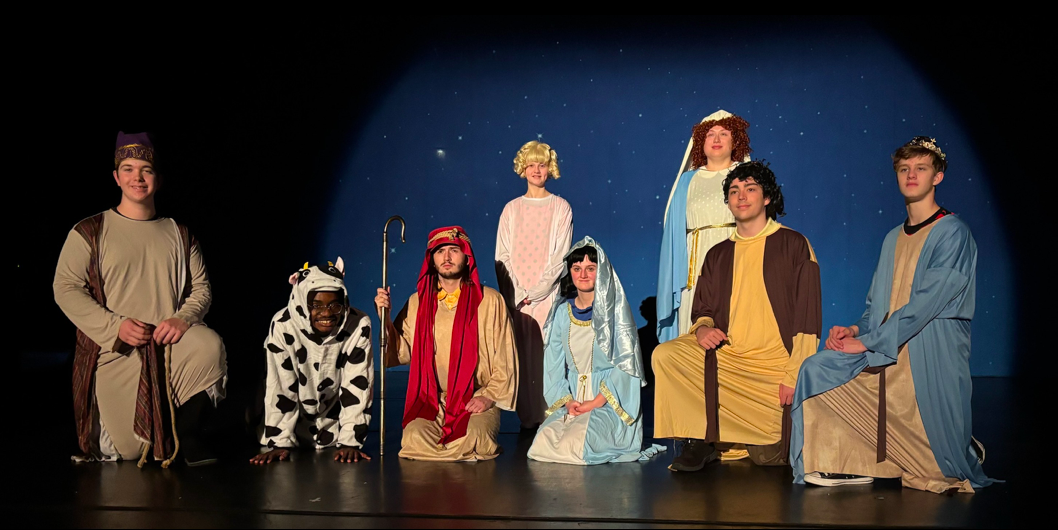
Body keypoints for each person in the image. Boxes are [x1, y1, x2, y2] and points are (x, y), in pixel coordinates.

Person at [790, 137, 996, 493]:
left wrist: (866, 342)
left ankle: (961, 447)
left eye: (921, 168)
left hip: (929, 351)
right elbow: (878, 307)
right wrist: (854, 328)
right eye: (904, 169)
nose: (911, 175)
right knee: (816, 369)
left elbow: (923, 308)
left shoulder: (953, 233)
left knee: (940, 471)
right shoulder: (892, 238)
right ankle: (851, 462)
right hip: (885, 345)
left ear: (938, 177)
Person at [54, 131, 227, 467]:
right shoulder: (90, 231)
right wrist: (115, 327)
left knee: (208, 345)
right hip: (117, 354)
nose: (138, 177)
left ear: (158, 180)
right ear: (116, 177)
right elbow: (65, 287)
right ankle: (160, 433)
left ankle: (187, 435)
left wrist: (183, 318)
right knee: (133, 451)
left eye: (146, 170)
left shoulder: (179, 233)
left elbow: (201, 289)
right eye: (129, 169)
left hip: (169, 348)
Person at [653, 161, 821, 471]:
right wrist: (702, 330)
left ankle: (737, 437)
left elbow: (808, 320)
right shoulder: (718, 253)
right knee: (667, 354)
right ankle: (697, 440)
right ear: (728, 201)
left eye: (750, 189)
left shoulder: (794, 244)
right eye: (734, 191)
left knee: (767, 458)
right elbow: (702, 311)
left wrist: (794, 374)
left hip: (772, 370)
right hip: (729, 361)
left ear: (767, 197)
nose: (741, 196)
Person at [376, 226, 518, 461]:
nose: (447, 257)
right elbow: (402, 352)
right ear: (431, 260)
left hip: (474, 397)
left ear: (466, 257)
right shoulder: (418, 302)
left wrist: (489, 396)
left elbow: (506, 356)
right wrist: (386, 318)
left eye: (454, 250)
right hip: (433, 398)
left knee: (476, 438)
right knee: (413, 437)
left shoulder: (490, 300)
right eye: (440, 251)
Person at [527, 237, 665, 464]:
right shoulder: (562, 312)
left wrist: (596, 401)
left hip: (610, 403)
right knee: (543, 443)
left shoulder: (615, 313)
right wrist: (568, 402)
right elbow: (552, 363)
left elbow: (626, 365)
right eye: (577, 268)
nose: (583, 275)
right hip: (574, 402)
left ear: (601, 272)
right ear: (569, 272)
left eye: (590, 268)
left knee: (577, 444)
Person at [250, 259, 373, 465]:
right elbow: (279, 386)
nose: (326, 313)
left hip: (332, 427)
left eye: (335, 305)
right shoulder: (283, 325)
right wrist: (279, 441)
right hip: (293, 422)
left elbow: (358, 385)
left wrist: (350, 441)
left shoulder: (358, 324)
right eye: (316, 306)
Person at [496, 140, 573, 429]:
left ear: (549, 168)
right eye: (531, 164)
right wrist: (518, 294)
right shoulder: (512, 209)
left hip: (547, 295)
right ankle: (528, 421)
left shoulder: (560, 207)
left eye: (542, 164)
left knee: (548, 355)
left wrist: (537, 292)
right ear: (523, 168)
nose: (536, 170)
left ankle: (550, 418)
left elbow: (561, 256)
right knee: (522, 356)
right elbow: (502, 256)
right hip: (518, 298)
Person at [657, 110, 753, 344]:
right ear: (701, 142)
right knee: (695, 332)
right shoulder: (686, 181)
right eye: (710, 134)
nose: (717, 139)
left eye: (724, 133)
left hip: (736, 260)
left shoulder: (746, 177)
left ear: (736, 141)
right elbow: (673, 235)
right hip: (695, 266)